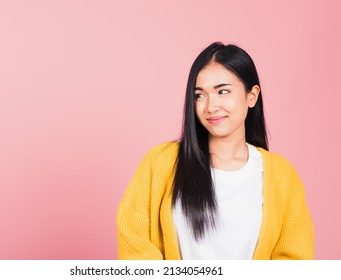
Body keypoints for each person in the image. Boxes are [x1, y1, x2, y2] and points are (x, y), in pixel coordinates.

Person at [116, 42, 314, 260]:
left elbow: (294, 260)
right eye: (200, 95)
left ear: (252, 96)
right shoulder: (160, 163)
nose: (211, 106)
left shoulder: (282, 176)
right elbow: (134, 243)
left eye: (223, 91)